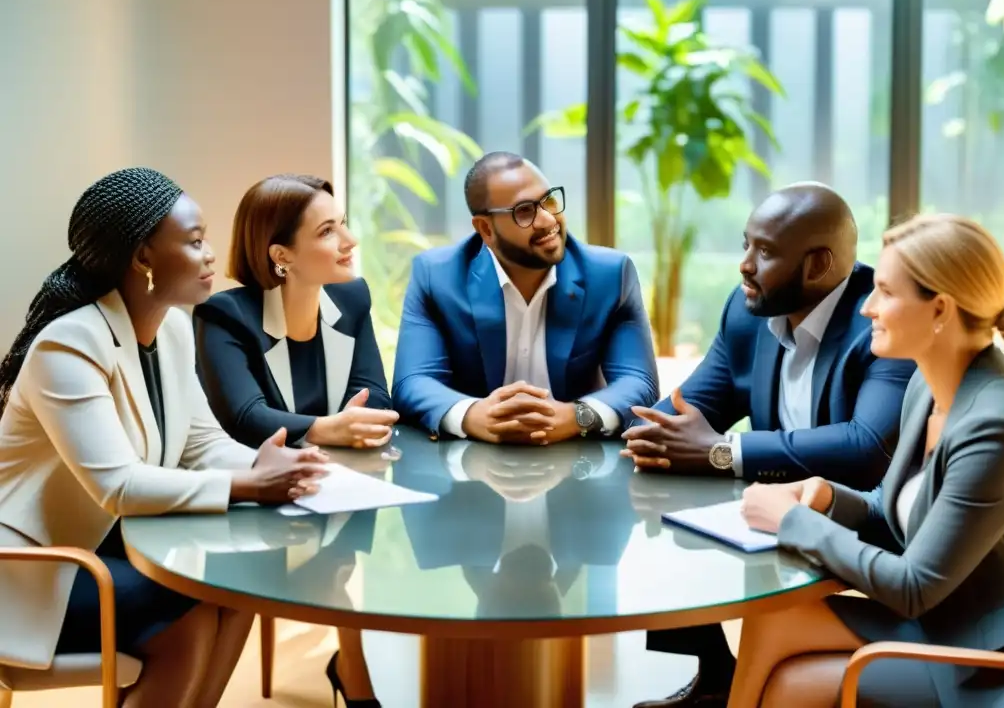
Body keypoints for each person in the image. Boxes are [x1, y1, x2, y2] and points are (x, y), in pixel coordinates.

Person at [0, 168, 328, 708]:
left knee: (243, 583)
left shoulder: (173, 329)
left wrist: (273, 464)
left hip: (112, 546)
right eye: (195, 242)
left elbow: (201, 445)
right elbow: (118, 487)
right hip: (38, 571)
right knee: (188, 616)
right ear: (143, 258)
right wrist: (249, 486)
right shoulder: (69, 346)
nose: (209, 257)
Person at [626, 183, 916, 708]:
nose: (744, 265)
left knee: (706, 480)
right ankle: (713, 676)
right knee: (669, 497)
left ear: (818, 265)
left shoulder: (881, 320)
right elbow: (687, 409)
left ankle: (733, 689)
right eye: (745, 245)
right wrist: (640, 430)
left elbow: (865, 448)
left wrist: (725, 451)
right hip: (777, 502)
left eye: (764, 252)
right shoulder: (747, 312)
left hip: (862, 517)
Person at [730, 213, 1004, 708]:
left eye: (885, 292)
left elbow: (914, 586)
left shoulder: (997, 426)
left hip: (981, 651)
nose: (866, 307)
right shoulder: (925, 386)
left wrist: (794, 522)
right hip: (933, 620)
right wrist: (826, 497)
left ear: (940, 311)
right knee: (769, 617)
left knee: (794, 686)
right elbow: (894, 515)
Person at [193, 174, 396, 707]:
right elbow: (244, 417)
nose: (349, 241)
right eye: (329, 231)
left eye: (343, 223)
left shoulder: (351, 299)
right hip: (251, 496)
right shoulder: (225, 315)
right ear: (281, 255)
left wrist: (342, 429)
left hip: (333, 487)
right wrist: (329, 429)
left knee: (350, 547)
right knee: (319, 559)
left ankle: (356, 678)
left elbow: (374, 392)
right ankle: (355, 681)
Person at [392, 151, 659, 443]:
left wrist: (575, 416)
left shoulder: (609, 275)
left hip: (577, 461)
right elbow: (412, 381)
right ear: (486, 229)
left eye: (550, 201)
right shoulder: (437, 276)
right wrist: (474, 416)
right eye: (524, 211)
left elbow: (639, 382)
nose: (547, 220)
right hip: (471, 464)